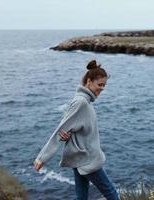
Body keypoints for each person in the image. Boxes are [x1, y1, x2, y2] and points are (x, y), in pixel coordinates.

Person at [33, 60, 120, 200]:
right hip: (88, 159)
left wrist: (70, 135)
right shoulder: (81, 102)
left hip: (80, 157)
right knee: (112, 194)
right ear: (89, 82)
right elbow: (61, 129)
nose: (102, 88)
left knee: (82, 197)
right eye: (99, 84)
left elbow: (72, 128)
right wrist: (42, 158)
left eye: (104, 85)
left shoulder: (84, 101)